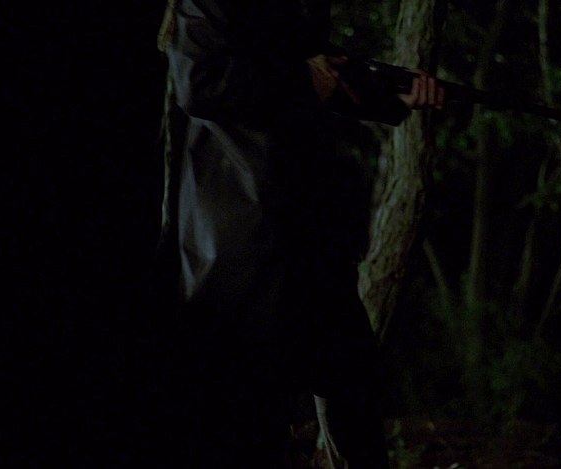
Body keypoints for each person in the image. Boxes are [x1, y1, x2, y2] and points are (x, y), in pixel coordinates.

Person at [153, 1, 444, 467]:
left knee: (352, 381)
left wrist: (388, 92)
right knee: (252, 409)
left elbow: (314, 73)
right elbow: (200, 82)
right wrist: (302, 76)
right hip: (242, 240)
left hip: (308, 231)